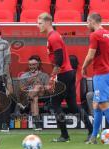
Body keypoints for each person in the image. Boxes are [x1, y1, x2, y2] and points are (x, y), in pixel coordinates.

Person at [37, 12, 93, 142]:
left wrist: (52, 77)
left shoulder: (54, 37)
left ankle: (65, 135)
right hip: (68, 73)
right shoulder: (53, 36)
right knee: (73, 105)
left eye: (39, 23)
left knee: (55, 103)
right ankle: (91, 131)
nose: (38, 26)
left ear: (47, 23)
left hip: (64, 74)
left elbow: (60, 60)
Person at [82, 13, 109, 144]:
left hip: (101, 74)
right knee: (96, 105)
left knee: (103, 104)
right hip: (107, 73)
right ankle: (94, 137)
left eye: (87, 23)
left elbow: (90, 55)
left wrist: (83, 67)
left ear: (91, 21)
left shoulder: (95, 35)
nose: (87, 25)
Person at [18, 55, 50, 130]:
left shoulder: (44, 75)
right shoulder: (24, 75)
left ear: (38, 64)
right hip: (29, 95)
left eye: (34, 64)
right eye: (30, 65)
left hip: (42, 95)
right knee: (34, 98)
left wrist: (41, 85)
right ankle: (37, 122)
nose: (31, 66)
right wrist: (29, 82)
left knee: (38, 86)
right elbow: (21, 90)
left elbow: (48, 89)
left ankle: (25, 105)